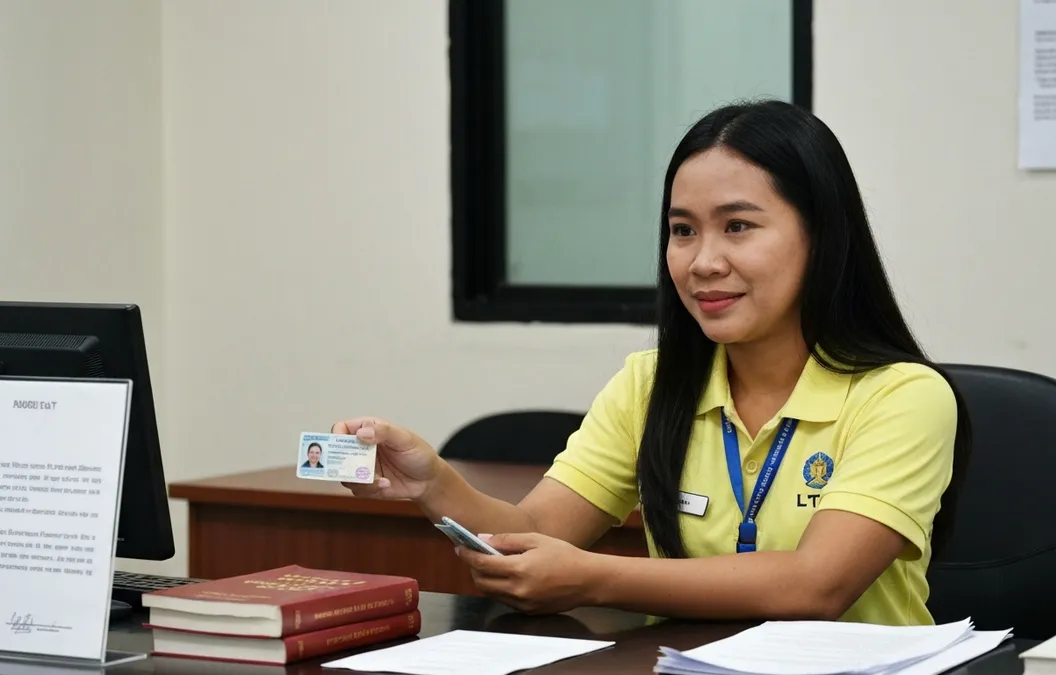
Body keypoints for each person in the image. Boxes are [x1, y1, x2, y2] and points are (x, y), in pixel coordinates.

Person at [333, 100, 970, 626]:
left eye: (739, 227)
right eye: (683, 229)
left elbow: (815, 586)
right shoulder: (652, 383)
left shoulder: (903, 396)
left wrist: (593, 579)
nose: (703, 262)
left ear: (822, 236)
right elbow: (533, 530)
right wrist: (430, 483)